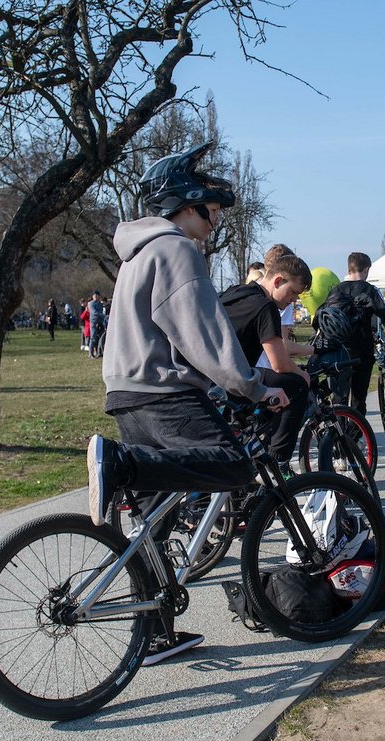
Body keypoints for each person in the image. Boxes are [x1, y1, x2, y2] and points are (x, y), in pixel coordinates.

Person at [86, 141, 287, 666]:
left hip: (126, 392)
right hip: (164, 393)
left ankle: (154, 634)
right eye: (212, 210)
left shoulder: (137, 253)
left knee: (152, 523)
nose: (216, 221)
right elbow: (204, 336)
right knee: (234, 466)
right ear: (185, 203)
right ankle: (120, 464)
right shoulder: (176, 250)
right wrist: (253, 386)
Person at [220, 249, 313, 476]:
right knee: (296, 386)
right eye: (293, 293)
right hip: (232, 380)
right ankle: (278, 463)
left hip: (213, 375)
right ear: (278, 281)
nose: (294, 300)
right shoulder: (266, 306)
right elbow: (279, 363)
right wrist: (302, 374)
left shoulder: (237, 292)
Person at [316, 251, 385, 417]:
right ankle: (357, 430)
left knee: (339, 398)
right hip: (362, 350)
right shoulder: (369, 290)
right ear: (367, 269)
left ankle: (338, 430)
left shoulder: (335, 291)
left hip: (338, 351)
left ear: (349, 268)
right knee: (359, 398)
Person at [87, 291, 106, 358]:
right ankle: (91, 353)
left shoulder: (100, 304)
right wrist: (104, 316)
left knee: (101, 338)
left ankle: (99, 353)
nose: (95, 296)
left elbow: (101, 312)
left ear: (99, 296)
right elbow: (94, 312)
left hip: (100, 322)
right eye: (94, 295)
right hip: (94, 322)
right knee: (93, 338)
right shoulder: (91, 303)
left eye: (96, 295)